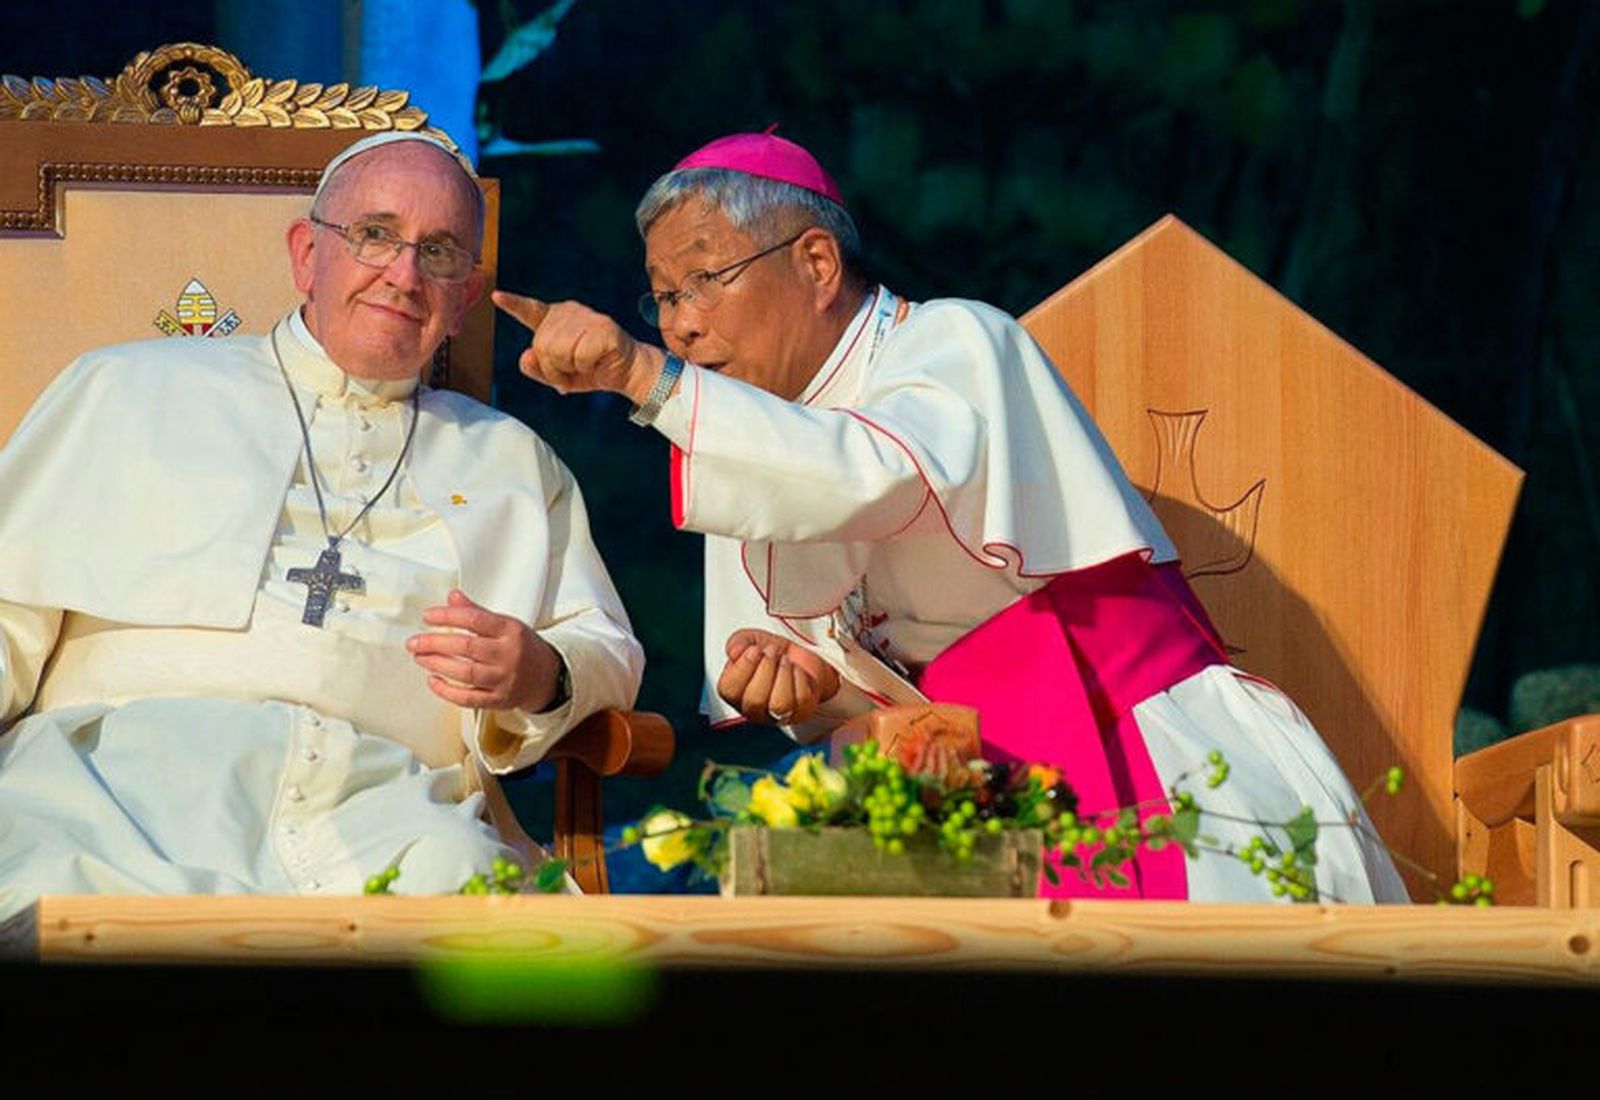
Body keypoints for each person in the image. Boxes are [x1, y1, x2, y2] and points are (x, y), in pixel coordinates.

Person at [494, 130, 1406, 904]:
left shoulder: (957, 341)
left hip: (1144, 755)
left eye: (703, 280)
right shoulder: (743, 446)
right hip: (951, 792)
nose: (680, 325)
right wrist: (808, 688)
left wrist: (639, 377)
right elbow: (852, 700)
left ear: (816, 263)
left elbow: (873, 476)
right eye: (663, 298)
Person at [0, 133, 643, 908]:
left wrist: (539, 672)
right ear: (307, 253)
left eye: (438, 253)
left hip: (391, 806)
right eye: (375, 234)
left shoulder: (509, 460)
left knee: (472, 906)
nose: (402, 275)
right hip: (111, 785)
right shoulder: (124, 388)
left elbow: (604, 645)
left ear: (464, 297)